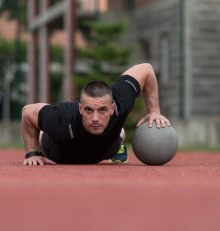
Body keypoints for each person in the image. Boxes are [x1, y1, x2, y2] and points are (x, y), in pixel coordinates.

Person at [21, 63, 170, 165]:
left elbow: (146, 69)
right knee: (43, 134)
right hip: (60, 153)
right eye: (88, 110)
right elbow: (28, 112)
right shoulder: (63, 120)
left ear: (112, 108)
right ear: (80, 109)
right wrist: (32, 154)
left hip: (106, 149)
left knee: (119, 133)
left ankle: (119, 145)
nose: (95, 118)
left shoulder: (120, 101)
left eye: (102, 110)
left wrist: (154, 112)